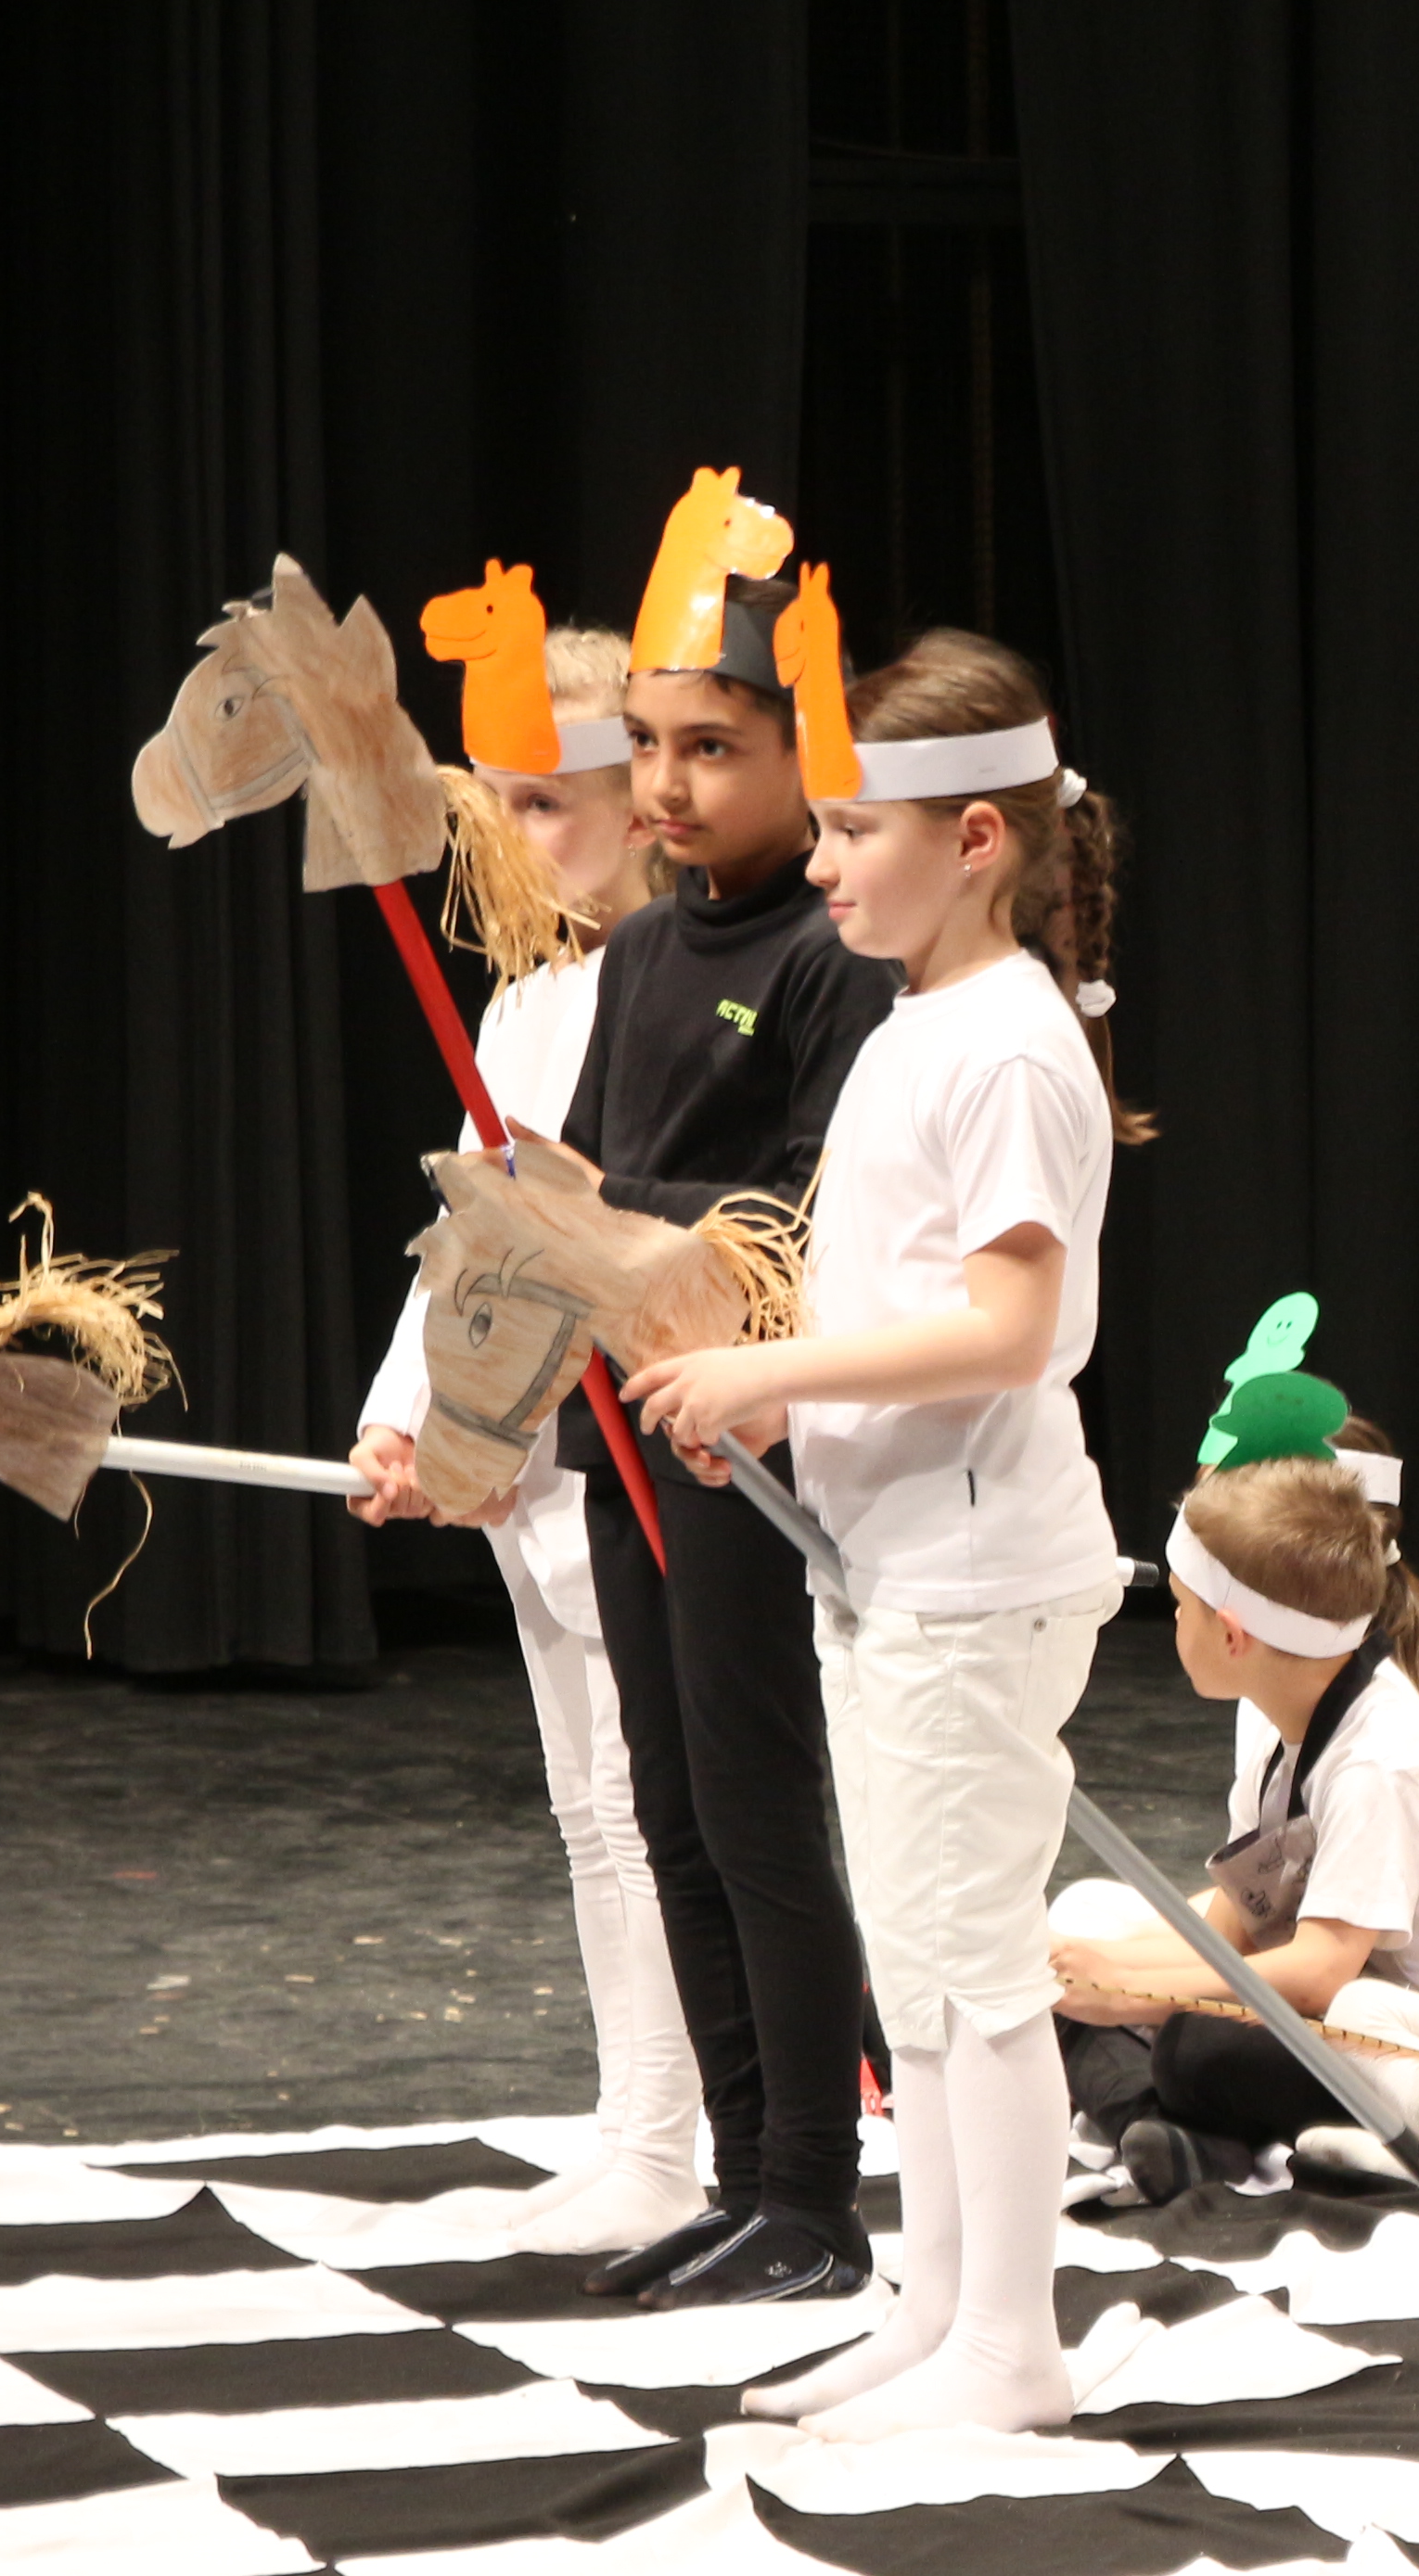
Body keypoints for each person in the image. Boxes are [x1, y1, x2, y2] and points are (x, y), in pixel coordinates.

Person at [626, 626, 1142, 2437]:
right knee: (919, 1964)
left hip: (974, 1573)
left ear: (975, 839)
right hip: (895, 1561)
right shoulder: (929, 1025)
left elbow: (1010, 1328)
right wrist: (786, 1411)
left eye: (855, 830)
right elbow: (907, 1300)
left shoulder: (1005, 1046)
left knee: (974, 1970)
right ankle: (940, 2313)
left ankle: (1011, 2344)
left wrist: (775, 1373)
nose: (824, 859)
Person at [553, 474, 906, 2309]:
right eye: (648, 746)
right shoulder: (636, 951)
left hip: (744, 1433)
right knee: (671, 1805)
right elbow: (587, 1186)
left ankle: (815, 2191)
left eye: (713, 746)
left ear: (797, 753)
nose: (670, 783)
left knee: (759, 1802)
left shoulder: (835, 955)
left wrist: (602, 1207)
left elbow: (808, 1207)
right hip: (621, 1423)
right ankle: (743, 2164)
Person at [347, 608, 702, 2260]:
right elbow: (469, 1249)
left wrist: (511, 1399)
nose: (510, 834)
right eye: (493, 800)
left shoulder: (682, 991)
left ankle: (687, 2141)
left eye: (545, 801)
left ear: (643, 799)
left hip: (634, 1453)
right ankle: (633, 2126)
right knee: (586, 1804)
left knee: (654, 1802)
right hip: (525, 1462)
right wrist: (407, 1416)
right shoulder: (522, 1006)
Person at [1049, 1453, 1419, 2188]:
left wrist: (1128, 1991)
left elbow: (1317, 1971)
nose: (1174, 1620)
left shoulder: (1379, 1762)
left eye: (1181, 1606)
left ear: (1232, 1635)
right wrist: (1088, 1968)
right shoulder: (1284, 1717)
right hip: (1334, 2013)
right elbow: (1237, 1922)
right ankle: (1178, 2137)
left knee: (1192, 2043)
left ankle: (1162, 2120)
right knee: (1073, 1954)